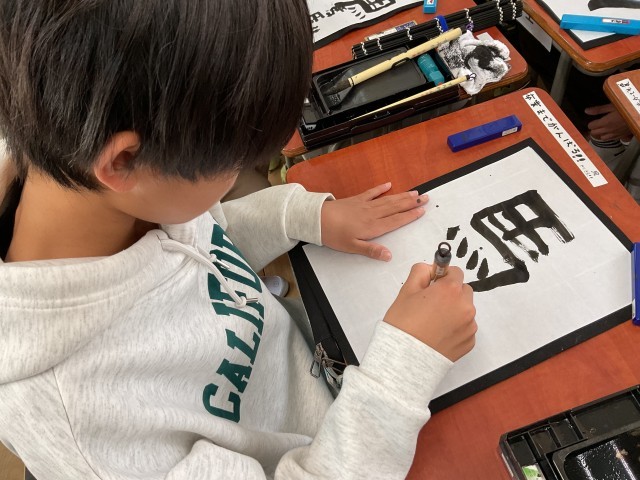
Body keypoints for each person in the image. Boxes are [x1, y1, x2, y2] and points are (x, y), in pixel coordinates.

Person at [0, 1, 476, 479]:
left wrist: (302, 216)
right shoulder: (84, 424)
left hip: (327, 370)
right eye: (234, 161)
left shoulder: (92, 179)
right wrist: (402, 374)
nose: (238, 173)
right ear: (124, 162)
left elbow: (207, 235)